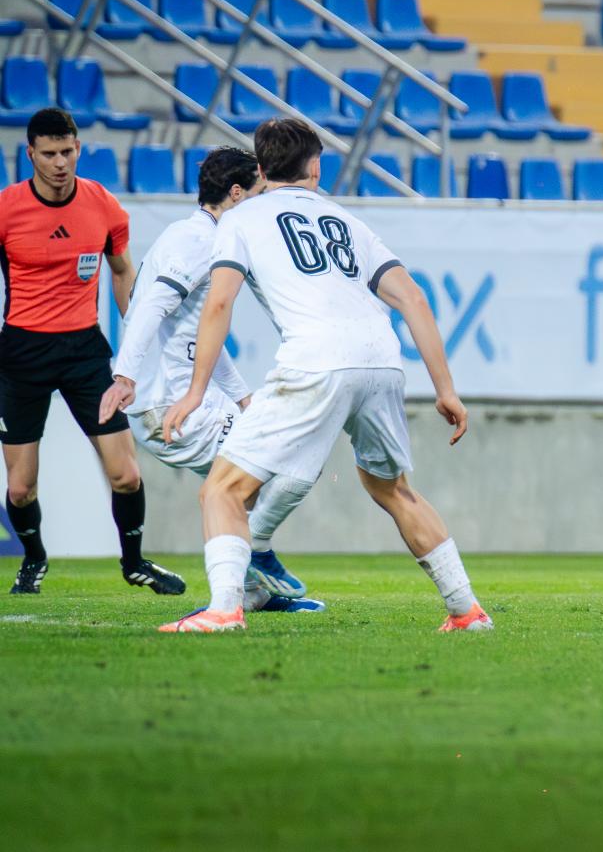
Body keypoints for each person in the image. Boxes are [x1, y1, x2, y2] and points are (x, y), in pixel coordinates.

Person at [158, 118, 490, 633]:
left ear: (261, 169)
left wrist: (195, 392)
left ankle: (224, 609)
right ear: (316, 167)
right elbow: (412, 299)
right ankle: (466, 610)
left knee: (221, 490)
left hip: (316, 358)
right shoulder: (346, 220)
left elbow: (219, 302)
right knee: (393, 488)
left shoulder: (240, 220)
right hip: (381, 359)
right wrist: (445, 390)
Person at [97, 146, 320, 613]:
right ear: (236, 194)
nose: (262, 203)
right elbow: (149, 307)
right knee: (278, 462)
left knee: (247, 481)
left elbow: (202, 340)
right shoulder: (198, 242)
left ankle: (250, 591)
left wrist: (242, 400)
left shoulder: (195, 235)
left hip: (184, 398)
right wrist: (125, 376)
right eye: (258, 194)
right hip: (169, 403)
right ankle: (255, 557)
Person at [0, 108, 184, 596]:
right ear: (31, 154)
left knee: (126, 475)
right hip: (21, 354)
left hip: (84, 351)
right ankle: (34, 559)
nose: (60, 162)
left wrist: (135, 344)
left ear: (78, 148)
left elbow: (122, 271)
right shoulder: (6, 209)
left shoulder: (103, 205)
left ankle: (135, 563)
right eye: (49, 154)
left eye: (68, 151)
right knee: (20, 487)